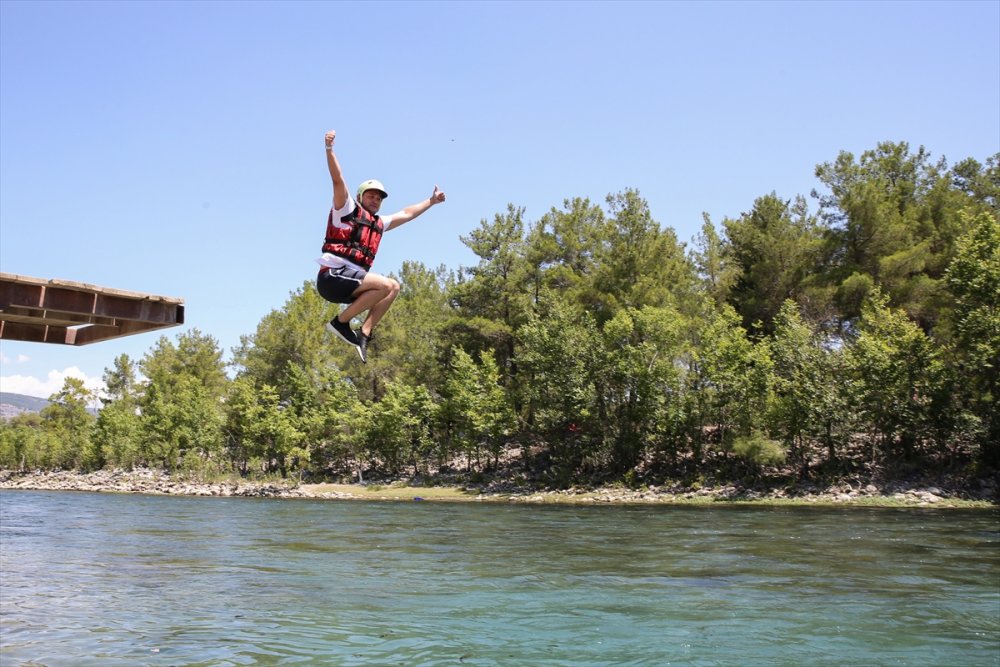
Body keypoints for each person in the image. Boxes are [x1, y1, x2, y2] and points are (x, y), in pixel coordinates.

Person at [316, 129, 446, 363]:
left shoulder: (379, 223)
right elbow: (337, 179)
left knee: (393, 287)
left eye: (379, 198)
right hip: (332, 277)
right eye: (371, 196)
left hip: (351, 284)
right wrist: (329, 149)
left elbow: (406, 214)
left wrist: (431, 201)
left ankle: (364, 333)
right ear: (360, 197)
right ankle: (340, 322)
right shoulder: (346, 208)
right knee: (386, 284)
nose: (375, 200)